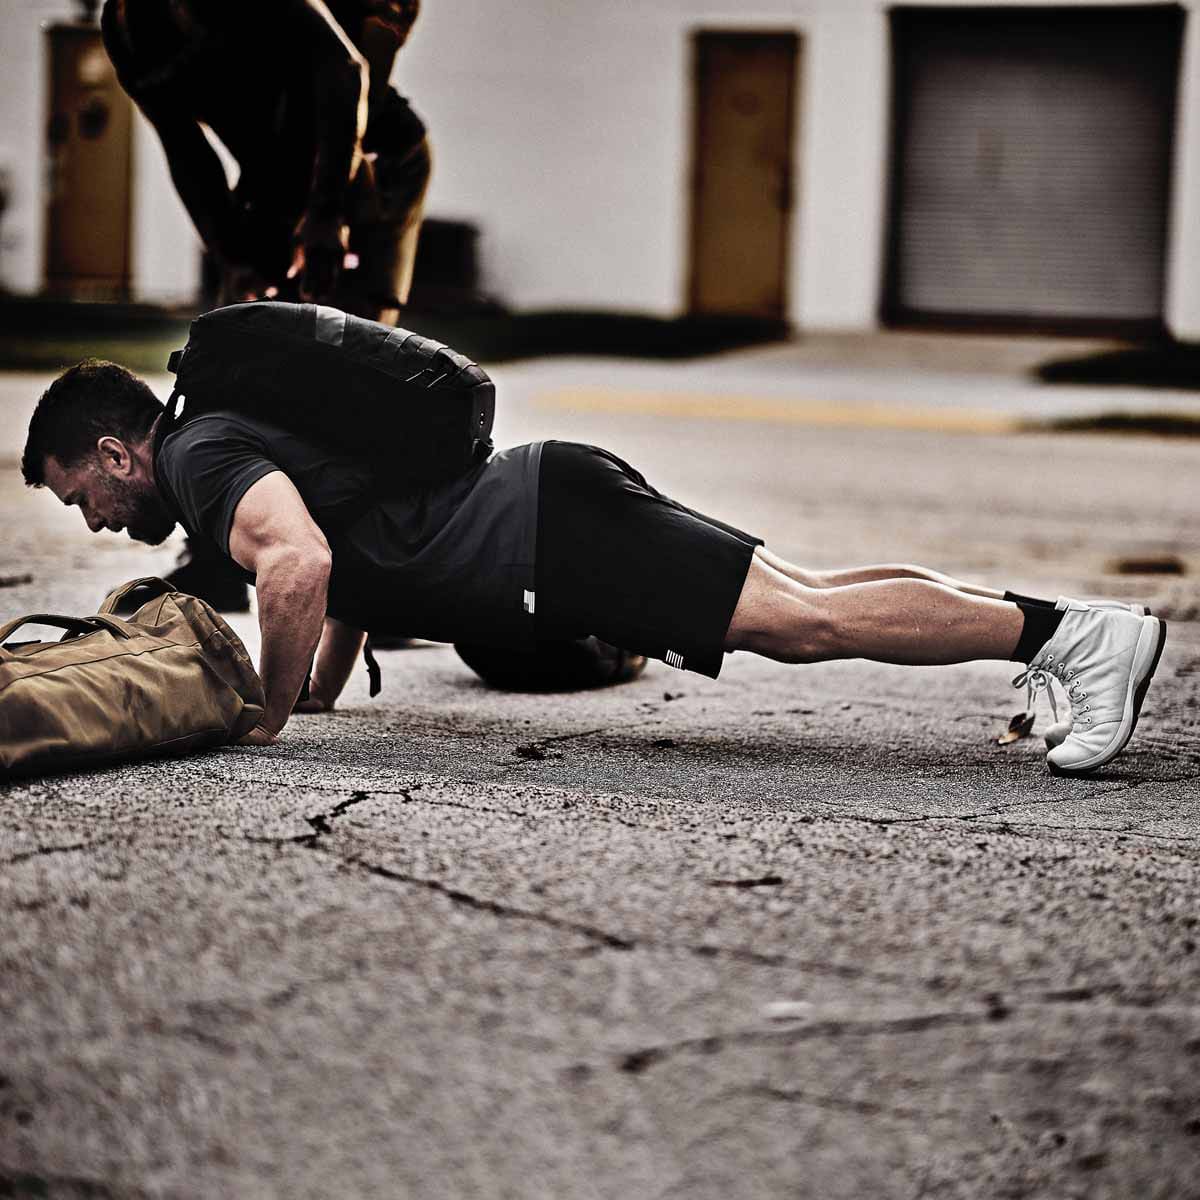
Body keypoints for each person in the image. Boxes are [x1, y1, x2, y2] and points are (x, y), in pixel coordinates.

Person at [21, 359, 1166, 776]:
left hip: (548, 534)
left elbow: (298, 563)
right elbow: (350, 556)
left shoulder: (201, 456)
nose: (97, 523)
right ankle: (1061, 630)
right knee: (808, 599)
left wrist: (270, 713)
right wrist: (320, 687)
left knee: (800, 623)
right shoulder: (217, 443)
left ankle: (1071, 637)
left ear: (118, 453)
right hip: (550, 510)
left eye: (84, 496)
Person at [101, 0, 429, 609]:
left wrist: (326, 216)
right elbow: (186, 148)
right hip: (274, 179)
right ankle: (215, 560)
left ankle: (389, 574)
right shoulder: (124, 28)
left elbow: (347, 71)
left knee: (357, 367)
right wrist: (231, 252)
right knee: (223, 357)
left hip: (373, 163)